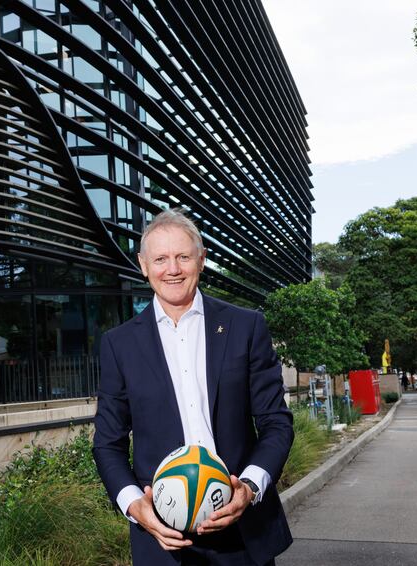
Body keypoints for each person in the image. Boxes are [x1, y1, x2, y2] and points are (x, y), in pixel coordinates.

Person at [93, 209, 294, 565]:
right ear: (143, 265)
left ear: (201, 260)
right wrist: (133, 505)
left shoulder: (246, 327)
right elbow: (108, 444)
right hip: (162, 538)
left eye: (183, 257)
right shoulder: (118, 345)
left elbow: (276, 423)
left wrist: (248, 488)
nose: (172, 269)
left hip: (243, 532)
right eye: (160, 259)